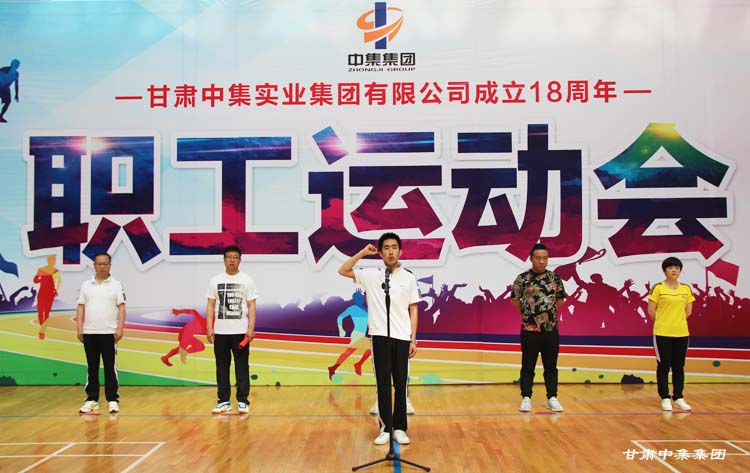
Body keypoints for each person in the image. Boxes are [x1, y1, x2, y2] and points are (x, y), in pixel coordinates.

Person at [338, 232, 419, 445]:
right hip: (380, 337)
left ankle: (400, 428)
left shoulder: (409, 277)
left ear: (400, 251)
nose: (391, 252)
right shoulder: (372, 275)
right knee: (383, 384)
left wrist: (413, 339)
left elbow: (413, 309)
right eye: (386, 248)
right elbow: (343, 270)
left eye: (394, 247)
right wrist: (363, 252)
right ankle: (385, 428)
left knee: (400, 384)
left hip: (402, 337)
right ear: (381, 253)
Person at [511, 243, 567, 413]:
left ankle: (552, 398)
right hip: (529, 330)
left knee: (551, 366)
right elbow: (515, 300)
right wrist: (528, 314)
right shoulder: (522, 279)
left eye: (545, 258)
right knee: (528, 366)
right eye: (538, 258)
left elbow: (560, 300)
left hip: (551, 330)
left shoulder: (554, 278)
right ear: (531, 259)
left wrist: (548, 315)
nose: (542, 261)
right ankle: (526, 397)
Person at [206, 245, 258, 415]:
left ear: (240, 260)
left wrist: (251, 328)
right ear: (224, 260)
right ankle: (223, 401)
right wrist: (209, 327)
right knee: (222, 367)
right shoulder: (215, 280)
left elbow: (251, 305)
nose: (232, 260)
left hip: (240, 331)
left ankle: (242, 400)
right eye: (229, 257)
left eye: (235, 257)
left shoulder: (247, 280)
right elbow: (211, 305)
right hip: (220, 332)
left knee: (242, 366)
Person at [76, 252, 126, 414]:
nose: (102, 266)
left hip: (109, 332)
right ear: (94, 265)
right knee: (92, 367)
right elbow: (81, 306)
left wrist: (120, 328)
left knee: (110, 367)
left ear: (110, 265)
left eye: (105, 264)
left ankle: (112, 399)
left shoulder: (116, 285)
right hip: (90, 332)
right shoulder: (86, 285)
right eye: (99, 264)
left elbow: (121, 307)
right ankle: (91, 399)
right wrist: (79, 328)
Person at [647, 256, 695, 411]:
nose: (674, 270)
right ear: (665, 271)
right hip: (662, 333)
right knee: (664, 365)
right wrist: (664, 322)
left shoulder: (686, 289)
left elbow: (688, 311)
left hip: (681, 333)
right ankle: (665, 397)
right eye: (670, 268)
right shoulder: (658, 288)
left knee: (679, 366)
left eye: (677, 268)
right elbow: (651, 310)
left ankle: (678, 397)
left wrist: (676, 322)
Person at [34, 254, 61, 340]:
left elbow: (59, 282)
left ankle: (42, 332)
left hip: (49, 294)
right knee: (40, 312)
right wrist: (40, 279)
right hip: (42, 293)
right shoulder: (41, 269)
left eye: (54, 260)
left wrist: (55, 290)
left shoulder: (56, 271)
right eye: (51, 260)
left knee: (46, 313)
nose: (53, 262)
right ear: (48, 261)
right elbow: (35, 280)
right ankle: (42, 327)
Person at [0, 59, 20, 123]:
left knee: (8, 102)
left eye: (18, 65)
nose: (17, 66)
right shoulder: (4, 69)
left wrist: (16, 94)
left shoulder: (16, 74)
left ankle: (1, 116)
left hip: (6, 89)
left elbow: (16, 84)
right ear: (12, 64)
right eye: (16, 64)